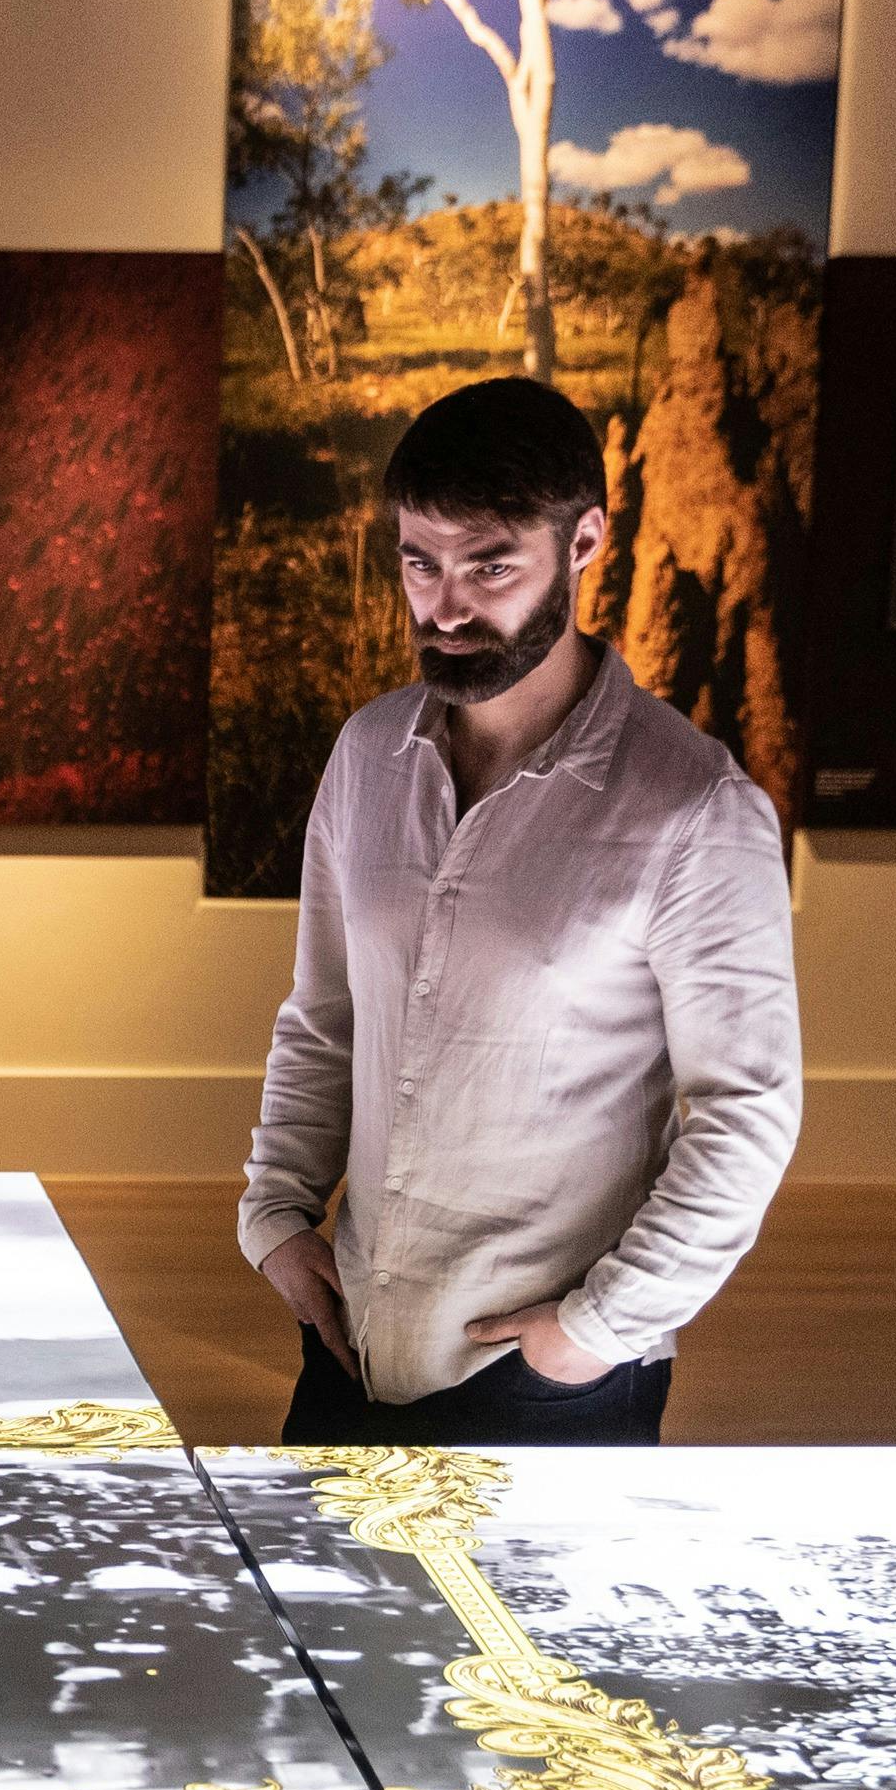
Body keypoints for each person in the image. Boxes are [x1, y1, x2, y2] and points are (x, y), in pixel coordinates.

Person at [239, 376, 801, 1448]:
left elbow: (746, 1113)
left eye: (490, 564)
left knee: (513, 1631)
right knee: (318, 1623)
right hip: (346, 1341)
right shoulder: (364, 754)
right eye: (420, 562)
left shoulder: (695, 808)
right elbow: (322, 1014)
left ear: (584, 539)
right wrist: (273, 1215)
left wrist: (592, 1331)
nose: (445, 605)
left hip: (545, 1377)